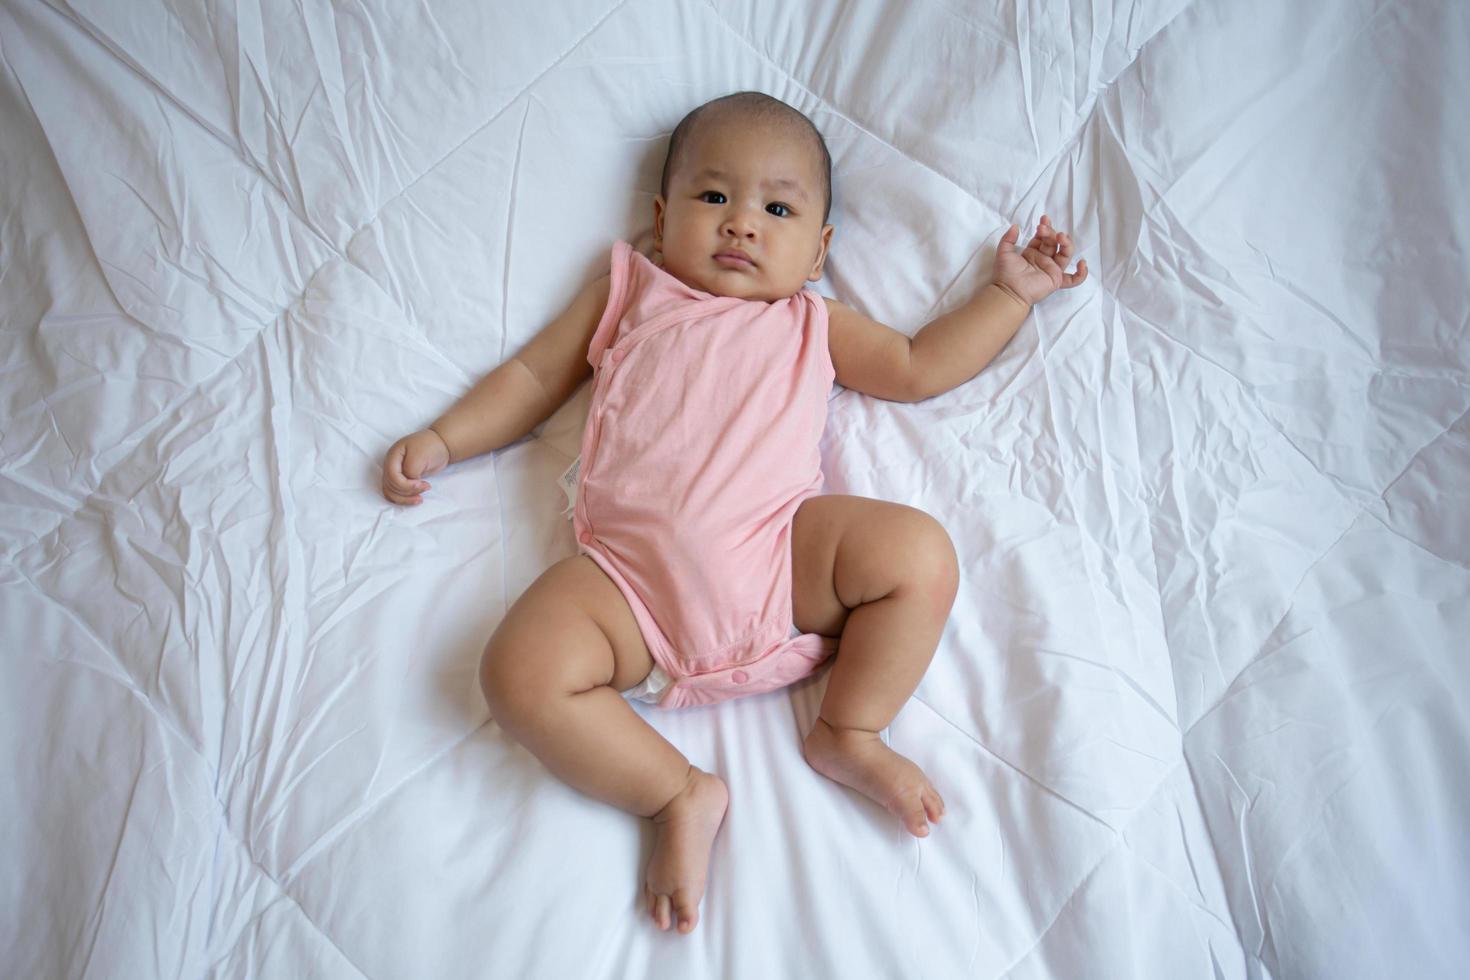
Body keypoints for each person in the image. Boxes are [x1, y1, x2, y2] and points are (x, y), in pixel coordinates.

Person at [380, 91, 1087, 936]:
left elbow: (916, 365)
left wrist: (1011, 295)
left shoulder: (810, 324)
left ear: (819, 249)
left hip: (779, 559)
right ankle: (676, 793)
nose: (741, 223)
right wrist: (445, 438)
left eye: (777, 208)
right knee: (517, 672)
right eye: (714, 197)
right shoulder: (627, 294)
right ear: (661, 216)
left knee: (918, 553)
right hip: (627, 588)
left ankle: (850, 730)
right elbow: (532, 380)